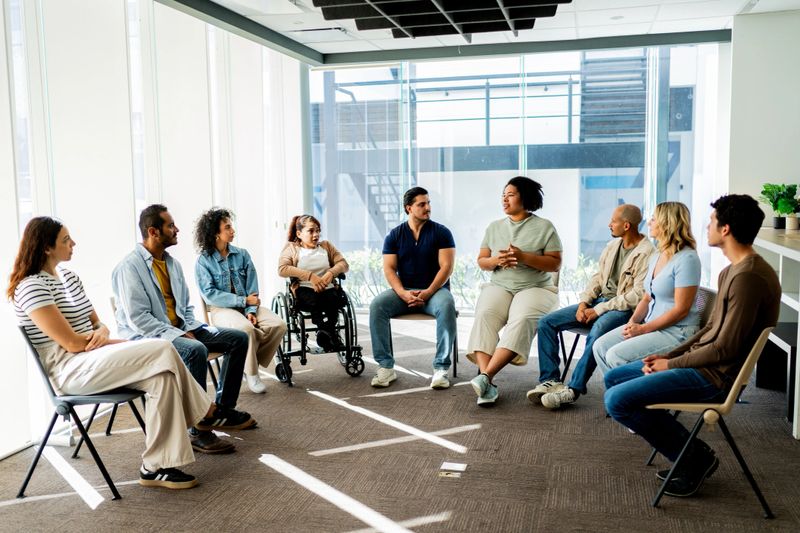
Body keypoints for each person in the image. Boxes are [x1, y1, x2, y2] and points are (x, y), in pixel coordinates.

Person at [10, 217, 222, 489]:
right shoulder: (31, 287)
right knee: (162, 347)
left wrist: (101, 333)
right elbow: (72, 345)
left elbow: (99, 324)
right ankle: (205, 409)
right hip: (69, 369)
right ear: (46, 247)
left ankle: (154, 467)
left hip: (95, 357)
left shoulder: (71, 278)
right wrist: (103, 337)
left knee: (163, 378)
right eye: (65, 240)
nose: (73, 243)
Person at [604, 194, 780, 498]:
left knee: (616, 401)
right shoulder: (731, 271)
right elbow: (711, 329)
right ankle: (692, 450)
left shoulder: (748, 277)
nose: (706, 227)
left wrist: (670, 365)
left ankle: (693, 458)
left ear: (725, 229)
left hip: (714, 377)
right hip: (702, 364)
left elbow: (725, 349)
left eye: (712, 221)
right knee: (613, 377)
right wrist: (668, 354)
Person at [112, 204, 256, 455]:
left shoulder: (173, 264)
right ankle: (198, 430)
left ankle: (221, 410)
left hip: (183, 329)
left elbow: (186, 307)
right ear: (153, 232)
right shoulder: (130, 267)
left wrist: (188, 326)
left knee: (239, 339)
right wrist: (178, 333)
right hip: (149, 337)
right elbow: (138, 320)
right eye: (170, 225)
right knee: (195, 350)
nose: (177, 229)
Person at [527, 204, 655, 409]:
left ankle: (573, 389)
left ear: (626, 225)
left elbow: (636, 296)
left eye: (613, 221)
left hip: (622, 309)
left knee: (597, 332)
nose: (609, 224)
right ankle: (550, 381)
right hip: (598, 302)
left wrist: (598, 310)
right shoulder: (612, 246)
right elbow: (597, 279)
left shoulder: (648, 253)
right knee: (546, 322)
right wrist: (584, 303)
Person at [588, 201, 702, 404]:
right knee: (599, 346)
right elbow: (647, 297)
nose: (648, 222)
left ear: (667, 223)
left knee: (616, 355)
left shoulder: (688, 259)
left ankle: (636, 403)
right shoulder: (658, 255)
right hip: (651, 326)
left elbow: (681, 309)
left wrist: (643, 329)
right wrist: (633, 322)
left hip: (678, 331)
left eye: (654, 219)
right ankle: (623, 399)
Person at [467, 176, 562, 405]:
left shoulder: (544, 227)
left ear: (525, 198)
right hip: (500, 284)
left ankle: (486, 376)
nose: (504, 199)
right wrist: (497, 260)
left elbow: (554, 264)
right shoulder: (494, 227)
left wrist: (522, 257)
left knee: (522, 319)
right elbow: (482, 261)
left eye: (510, 194)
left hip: (535, 287)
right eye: (503, 195)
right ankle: (485, 382)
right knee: (484, 315)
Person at [369, 186, 457, 389]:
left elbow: (447, 267)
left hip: (435, 291)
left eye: (428, 203)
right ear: (409, 208)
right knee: (377, 306)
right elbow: (390, 269)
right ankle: (386, 367)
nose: (428, 208)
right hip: (404, 291)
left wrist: (428, 292)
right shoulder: (394, 235)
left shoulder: (442, 233)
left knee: (446, 305)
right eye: (422, 204)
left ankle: (441, 369)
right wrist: (402, 293)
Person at [194, 208, 287, 394]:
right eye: (227, 227)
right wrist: (243, 301)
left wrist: (251, 311)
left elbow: (253, 286)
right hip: (221, 309)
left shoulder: (242, 254)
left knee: (279, 325)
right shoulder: (203, 262)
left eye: (231, 226)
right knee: (247, 330)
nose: (232, 230)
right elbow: (210, 295)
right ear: (215, 234)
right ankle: (252, 373)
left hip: (248, 306)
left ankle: (245, 360)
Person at [278, 214, 349, 352]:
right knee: (315, 299)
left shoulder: (326, 246)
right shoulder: (292, 248)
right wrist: (310, 276)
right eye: (311, 231)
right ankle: (328, 332)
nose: (316, 234)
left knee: (335, 299)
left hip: (328, 288)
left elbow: (344, 264)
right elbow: (282, 269)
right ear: (299, 233)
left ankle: (325, 332)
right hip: (305, 289)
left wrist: (330, 273)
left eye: (318, 230)